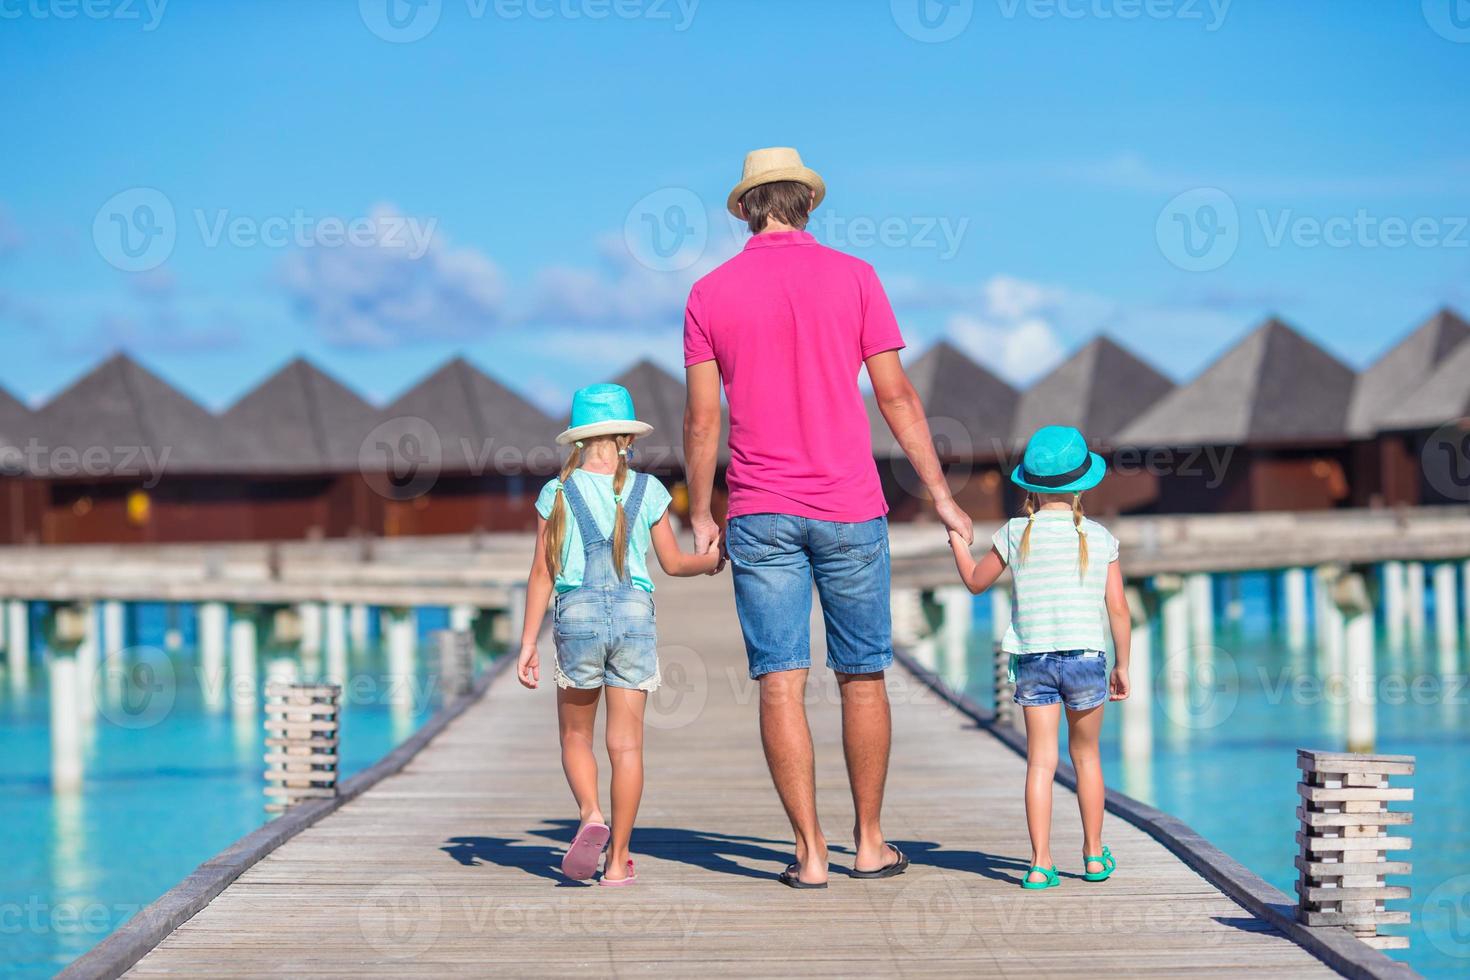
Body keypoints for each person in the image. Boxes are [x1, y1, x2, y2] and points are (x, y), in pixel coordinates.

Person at [682, 147, 974, 888]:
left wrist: (702, 513)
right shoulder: (856, 277)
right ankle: (869, 843)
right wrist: (941, 497)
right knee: (863, 676)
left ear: (747, 208)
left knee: (780, 680)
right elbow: (897, 396)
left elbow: (700, 419)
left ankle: (809, 853)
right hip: (850, 506)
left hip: (760, 508)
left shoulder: (709, 293)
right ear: (807, 203)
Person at [517, 383, 722, 885]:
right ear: (627, 440)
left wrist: (527, 644)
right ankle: (617, 862)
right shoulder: (648, 490)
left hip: (578, 617)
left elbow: (543, 572)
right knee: (626, 747)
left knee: (574, 735)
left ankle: (590, 815)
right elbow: (672, 565)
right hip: (634, 617)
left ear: (578, 442)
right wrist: (712, 561)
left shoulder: (557, 492)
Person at [946, 425, 1132, 889]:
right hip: (1087, 659)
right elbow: (1118, 609)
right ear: (1082, 484)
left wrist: (955, 539)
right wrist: (1123, 664)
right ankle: (1092, 856)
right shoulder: (1100, 536)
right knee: (1086, 758)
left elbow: (973, 582)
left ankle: (1040, 863)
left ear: (1028, 484)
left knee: (1040, 763)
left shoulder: (1013, 533)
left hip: (1034, 661)